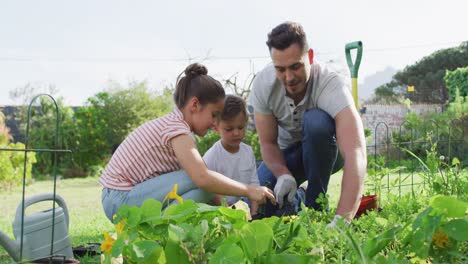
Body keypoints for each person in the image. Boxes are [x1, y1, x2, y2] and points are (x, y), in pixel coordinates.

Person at [99, 63, 276, 221]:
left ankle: (162, 229)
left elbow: (206, 188)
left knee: (203, 187)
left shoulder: (176, 125)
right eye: (214, 115)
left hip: (125, 197)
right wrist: (248, 190)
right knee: (201, 177)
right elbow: (202, 178)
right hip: (118, 199)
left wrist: (227, 211)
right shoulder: (177, 130)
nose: (215, 123)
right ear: (194, 105)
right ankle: (163, 228)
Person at [248, 22, 367, 222]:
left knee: (316, 122)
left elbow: (356, 152)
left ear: (310, 57)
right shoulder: (263, 85)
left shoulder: (330, 84)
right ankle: (298, 199)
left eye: (295, 66)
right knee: (260, 204)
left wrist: (343, 220)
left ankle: (316, 205)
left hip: (327, 151)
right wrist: (283, 174)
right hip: (286, 156)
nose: (289, 77)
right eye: (280, 69)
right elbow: (267, 143)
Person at [203, 95, 260, 216]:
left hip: (243, 207)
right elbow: (210, 190)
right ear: (216, 128)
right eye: (229, 129)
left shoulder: (248, 152)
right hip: (219, 211)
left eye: (240, 127)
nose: (236, 133)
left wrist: (255, 211)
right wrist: (227, 210)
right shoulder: (212, 156)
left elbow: (253, 182)